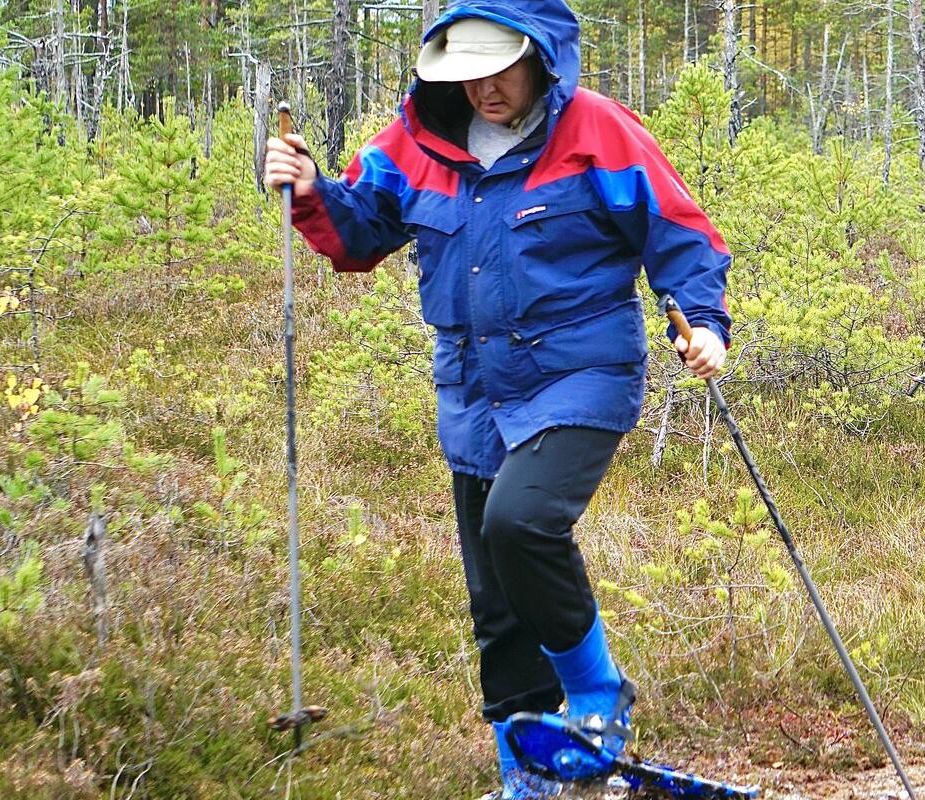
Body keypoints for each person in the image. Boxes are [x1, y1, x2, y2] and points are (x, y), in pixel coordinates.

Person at [263, 1, 732, 796]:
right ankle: (528, 773)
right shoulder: (414, 142)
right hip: (473, 387)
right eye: (466, 72)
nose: (483, 87)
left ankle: (596, 699)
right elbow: (359, 235)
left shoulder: (597, 130)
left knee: (521, 521)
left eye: (500, 67)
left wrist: (705, 323)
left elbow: (681, 233)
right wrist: (310, 190)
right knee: (493, 591)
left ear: (541, 58)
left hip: (581, 371)